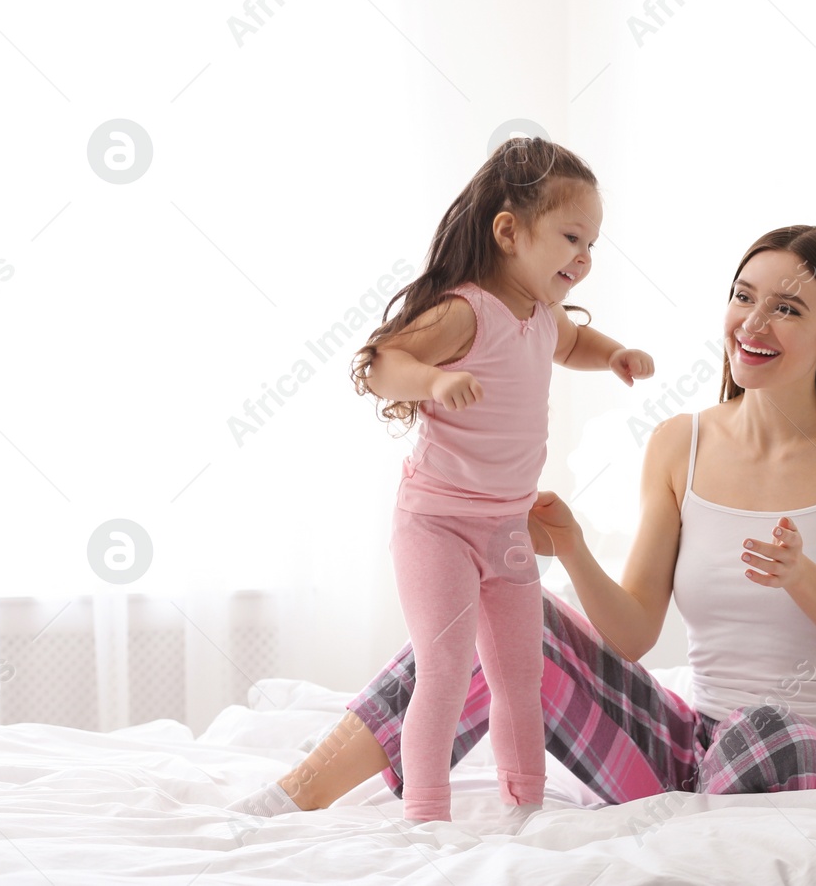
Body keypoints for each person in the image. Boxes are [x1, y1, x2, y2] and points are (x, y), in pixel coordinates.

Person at [229, 224, 816, 820]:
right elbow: (634, 634)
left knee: (762, 726)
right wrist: (571, 547)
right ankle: (300, 792)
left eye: (786, 308)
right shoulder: (681, 443)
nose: (752, 321)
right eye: (743, 296)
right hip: (684, 749)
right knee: (508, 615)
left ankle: (691, 829)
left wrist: (803, 577)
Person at [271, 136, 652, 824]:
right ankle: (425, 815)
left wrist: (616, 354)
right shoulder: (465, 309)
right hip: (437, 524)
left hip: (505, 527)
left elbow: (575, 345)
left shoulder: (542, 317)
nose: (585, 257)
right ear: (509, 230)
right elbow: (384, 361)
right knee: (443, 670)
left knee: (519, 676)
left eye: (592, 243)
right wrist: (436, 379)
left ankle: (525, 806)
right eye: (571, 236)